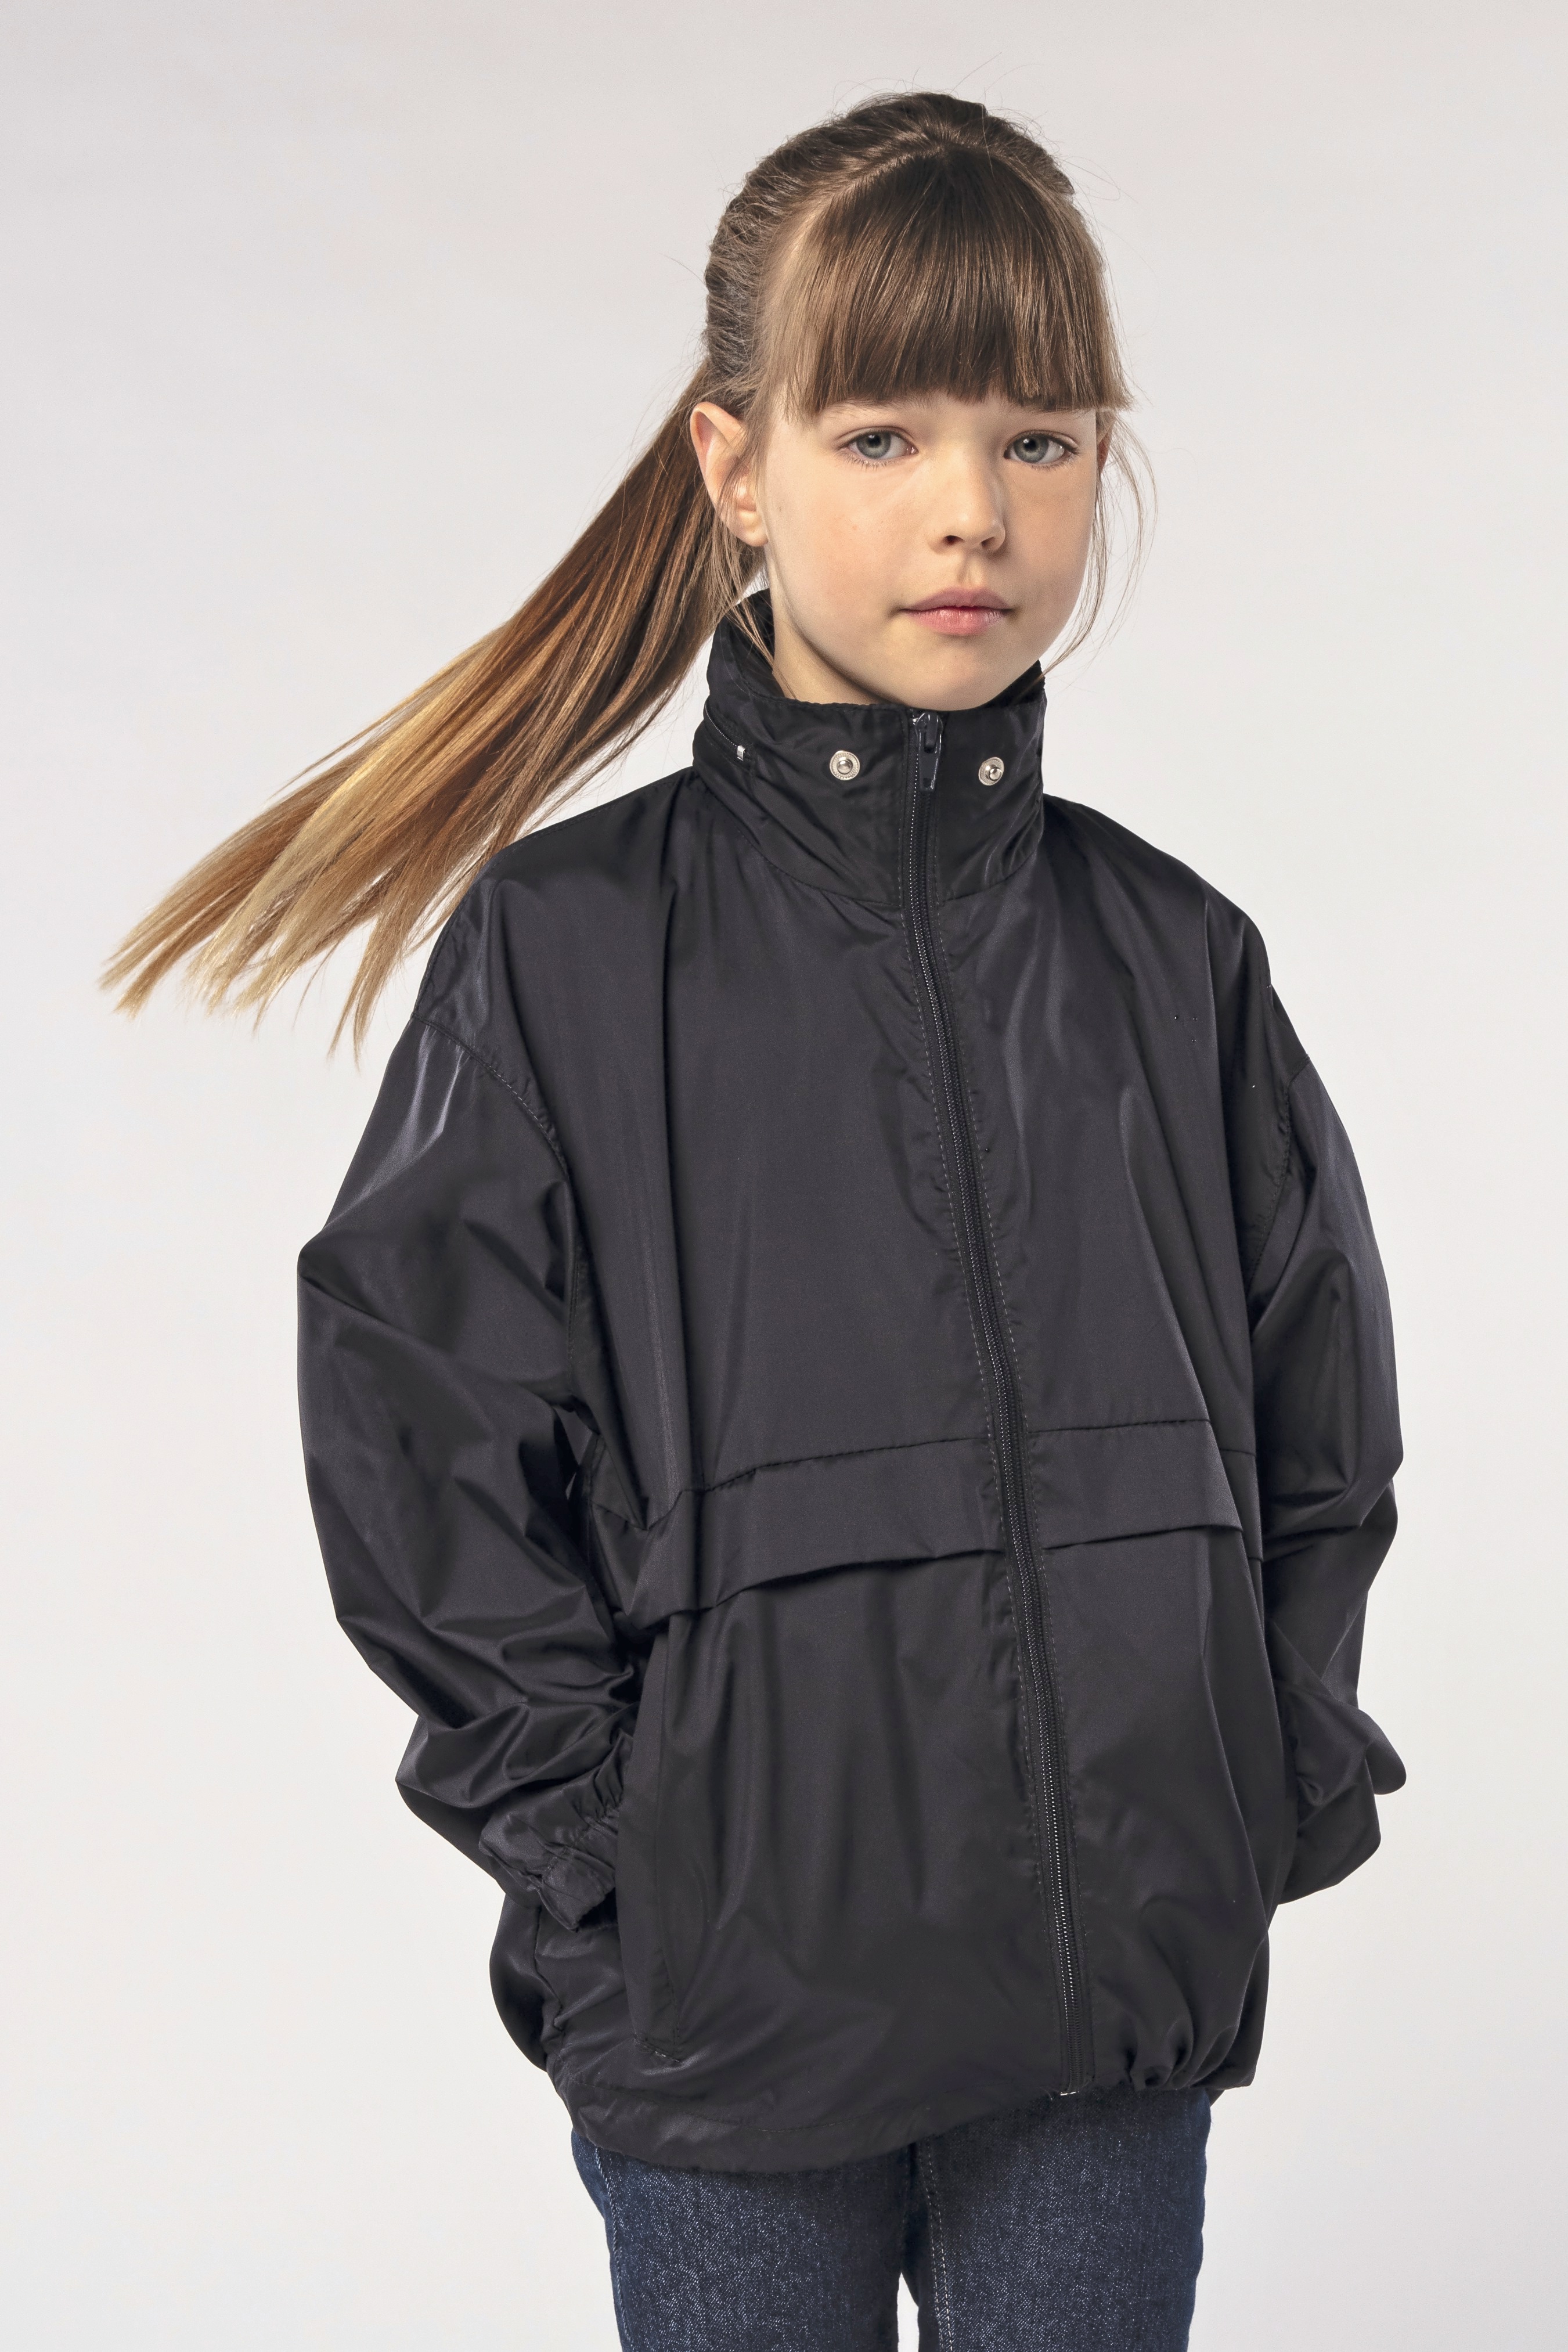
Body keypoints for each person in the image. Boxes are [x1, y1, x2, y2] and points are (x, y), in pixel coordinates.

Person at [107, 90, 1405, 2352]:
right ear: (736, 465)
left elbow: (1321, 1434)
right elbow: (424, 1456)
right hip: (730, 2050)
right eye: (884, 433)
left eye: (1038, 438)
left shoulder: (1175, 960)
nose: (972, 509)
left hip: (1107, 2030)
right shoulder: (567, 953)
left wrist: (1243, 1809)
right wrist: (619, 1890)